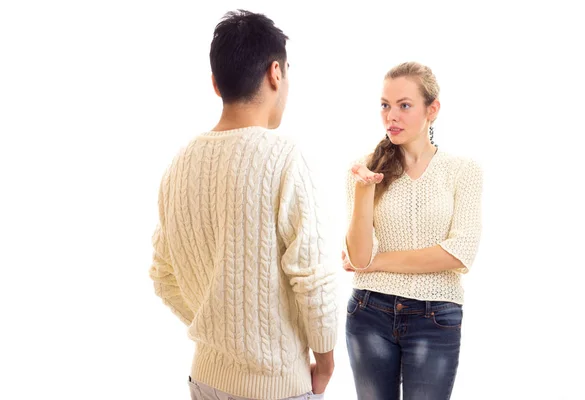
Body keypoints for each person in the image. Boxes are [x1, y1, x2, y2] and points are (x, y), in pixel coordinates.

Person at [148, 10, 337, 400]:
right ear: (275, 73)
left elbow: (163, 276)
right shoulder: (283, 157)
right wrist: (327, 363)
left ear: (216, 84)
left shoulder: (178, 166)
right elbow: (312, 276)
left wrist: (217, 330)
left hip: (205, 380)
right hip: (277, 386)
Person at [342, 61, 483, 400]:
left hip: (435, 317)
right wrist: (364, 191)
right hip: (368, 312)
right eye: (385, 105)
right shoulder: (365, 170)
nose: (392, 116)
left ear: (431, 109)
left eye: (404, 106)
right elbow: (358, 256)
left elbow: (458, 253)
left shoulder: (463, 171)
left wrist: (377, 263)